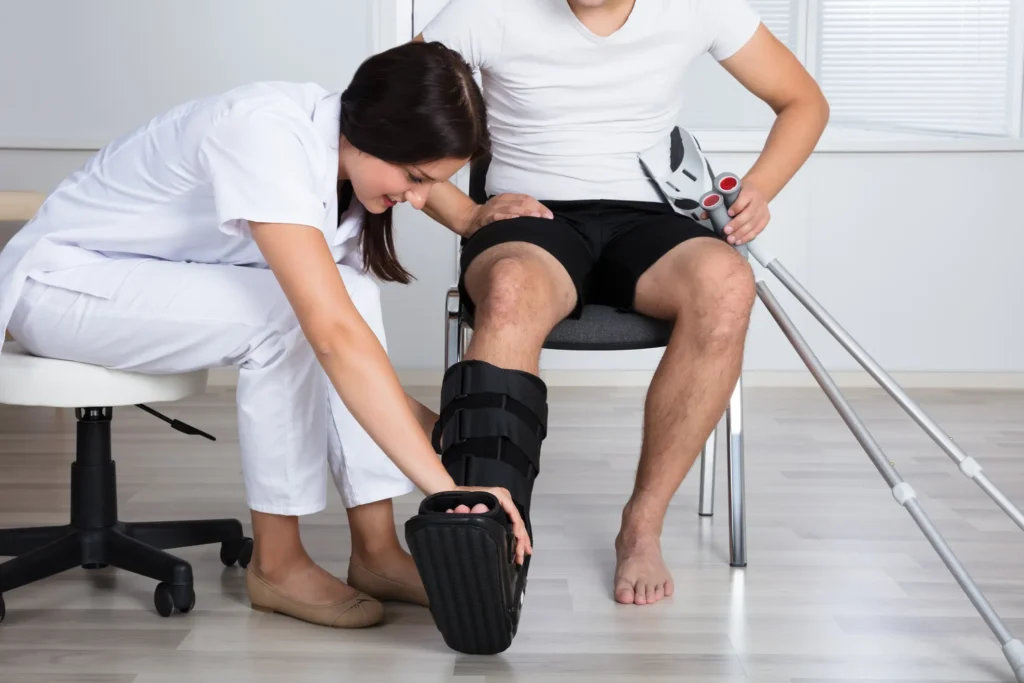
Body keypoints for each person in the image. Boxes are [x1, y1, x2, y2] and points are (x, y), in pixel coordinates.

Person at [0, 40, 531, 628]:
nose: (417, 198)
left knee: (351, 291)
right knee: (287, 321)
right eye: (414, 178)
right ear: (375, 131)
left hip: (147, 279)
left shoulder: (346, 158)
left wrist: (472, 215)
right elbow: (330, 337)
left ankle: (377, 552)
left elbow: (345, 324)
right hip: (64, 284)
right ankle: (276, 563)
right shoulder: (264, 135)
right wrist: (448, 490)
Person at [415, 0, 830, 606]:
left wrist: (759, 189)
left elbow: (804, 101)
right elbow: (383, 111)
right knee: (510, 289)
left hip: (649, 215)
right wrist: (466, 212)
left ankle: (642, 525)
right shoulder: (488, 9)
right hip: (532, 211)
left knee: (727, 282)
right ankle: (490, 535)